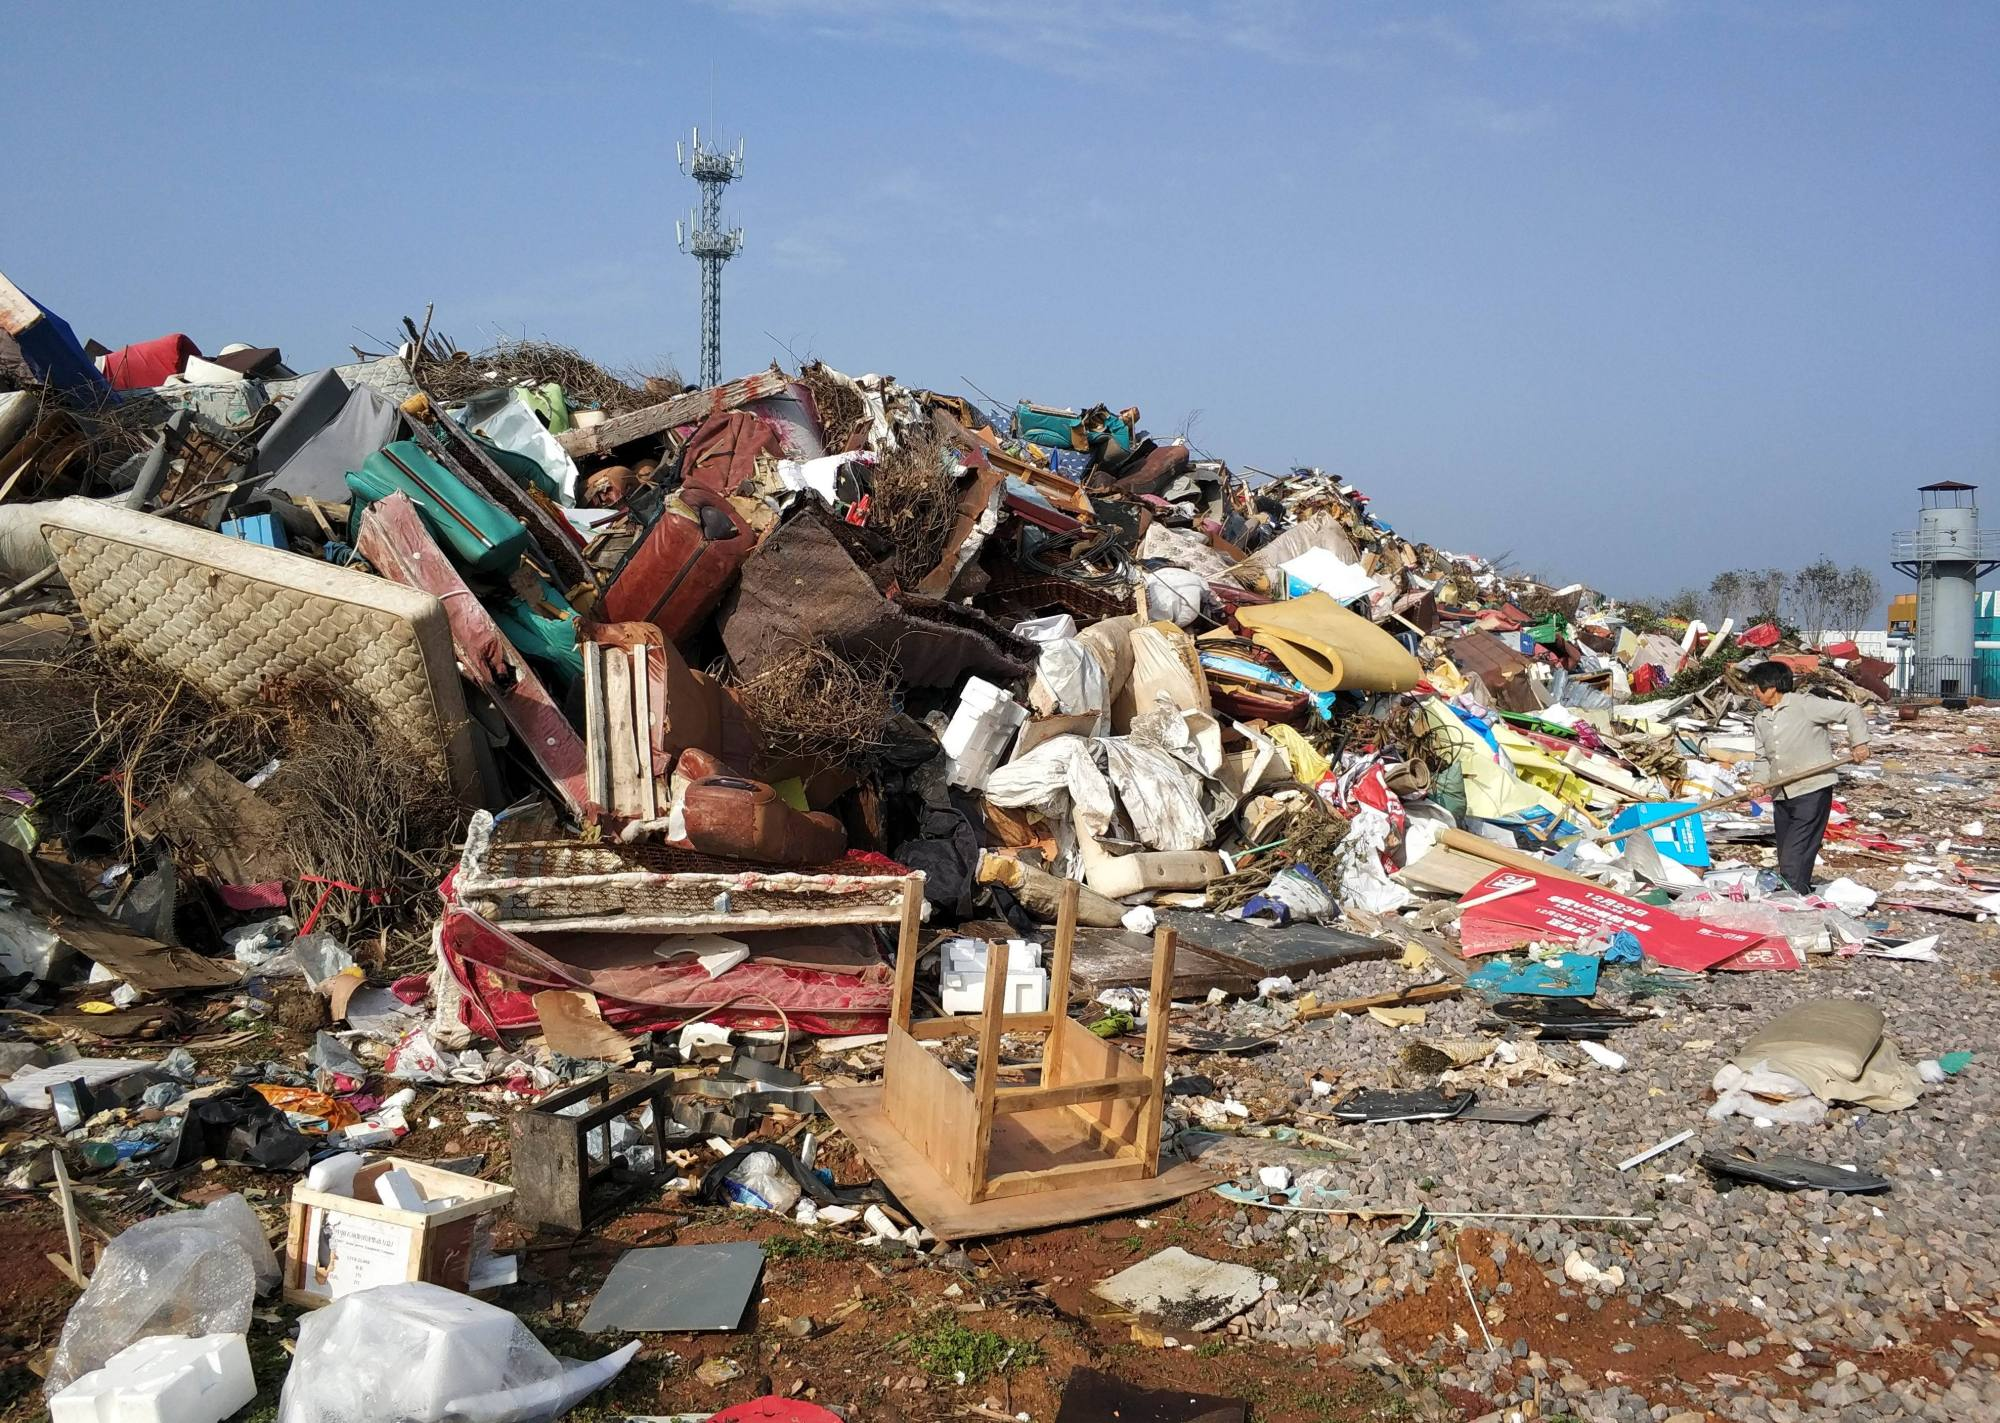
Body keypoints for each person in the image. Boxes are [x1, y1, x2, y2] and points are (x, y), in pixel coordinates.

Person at [1740, 661, 1870, 893]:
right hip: (1782, 793)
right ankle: (1798, 893)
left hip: (1812, 789)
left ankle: (1790, 895)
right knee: (1788, 850)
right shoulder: (1761, 720)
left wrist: (1859, 743)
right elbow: (1762, 758)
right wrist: (1758, 782)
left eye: (1756, 687)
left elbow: (1850, 710)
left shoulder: (1806, 705)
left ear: (1771, 687)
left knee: (1796, 850)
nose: (1754, 692)